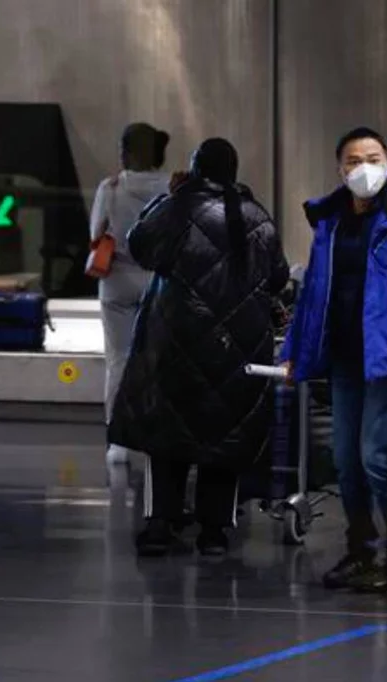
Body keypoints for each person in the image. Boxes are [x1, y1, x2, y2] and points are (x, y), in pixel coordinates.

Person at [282, 127, 387, 593]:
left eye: (373, 158)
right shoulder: (331, 223)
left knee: (377, 457)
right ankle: (362, 551)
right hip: (343, 357)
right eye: (354, 161)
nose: (364, 169)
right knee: (346, 459)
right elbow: (313, 295)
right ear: (340, 169)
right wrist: (294, 353)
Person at [109, 138, 290, 558]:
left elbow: (139, 246)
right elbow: (278, 276)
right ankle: (214, 533)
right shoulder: (256, 216)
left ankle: (160, 524)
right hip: (238, 347)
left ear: (194, 168)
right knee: (224, 435)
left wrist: (171, 197)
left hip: (174, 342)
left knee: (167, 434)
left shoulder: (177, 208)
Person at [88, 123, 170, 468]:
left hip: (118, 281)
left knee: (118, 360)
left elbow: (95, 232)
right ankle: (153, 432)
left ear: (129, 152)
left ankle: (118, 440)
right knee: (154, 361)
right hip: (158, 281)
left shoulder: (111, 187)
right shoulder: (171, 188)